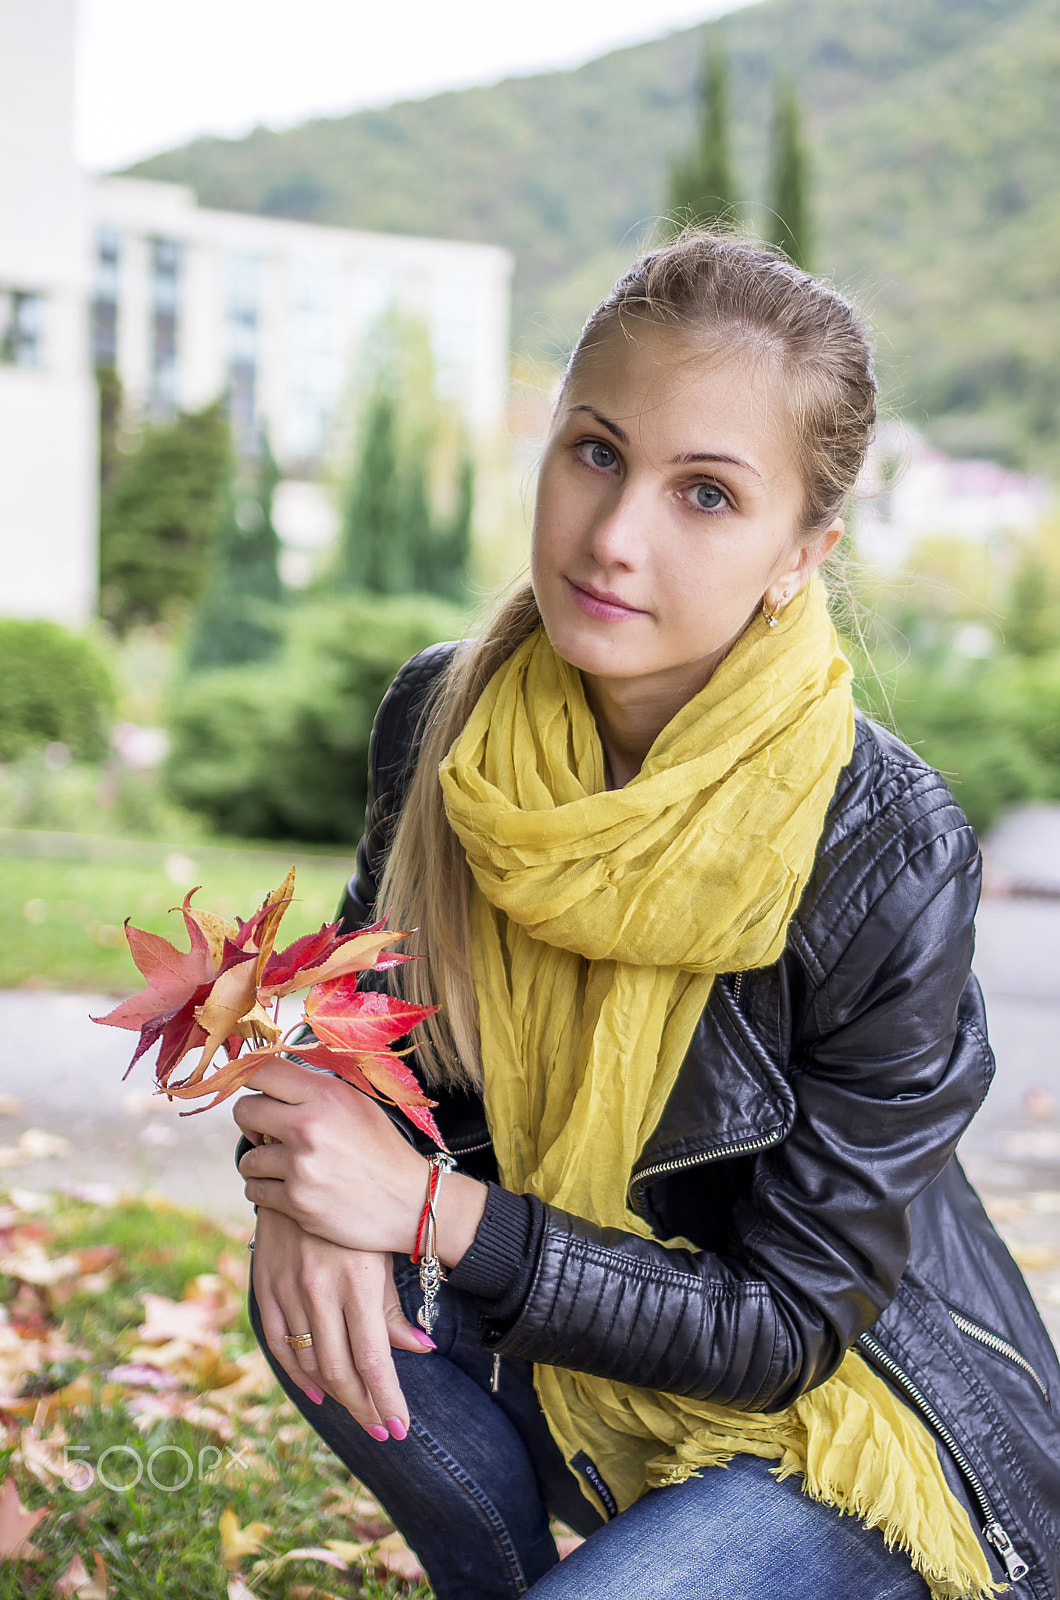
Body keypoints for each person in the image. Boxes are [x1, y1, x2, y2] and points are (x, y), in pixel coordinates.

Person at [232, 233, 1060, 1600]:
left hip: (840, 1424)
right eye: (597, 453)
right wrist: (307, 1190)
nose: (615, 539)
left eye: (708, 496)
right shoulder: (445, 722)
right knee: (317, 1275)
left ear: (805, 552)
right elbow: (352, 1042)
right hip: (566, 1346)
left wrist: (430, 1213)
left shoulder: (886, 845)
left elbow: (790, 1323)